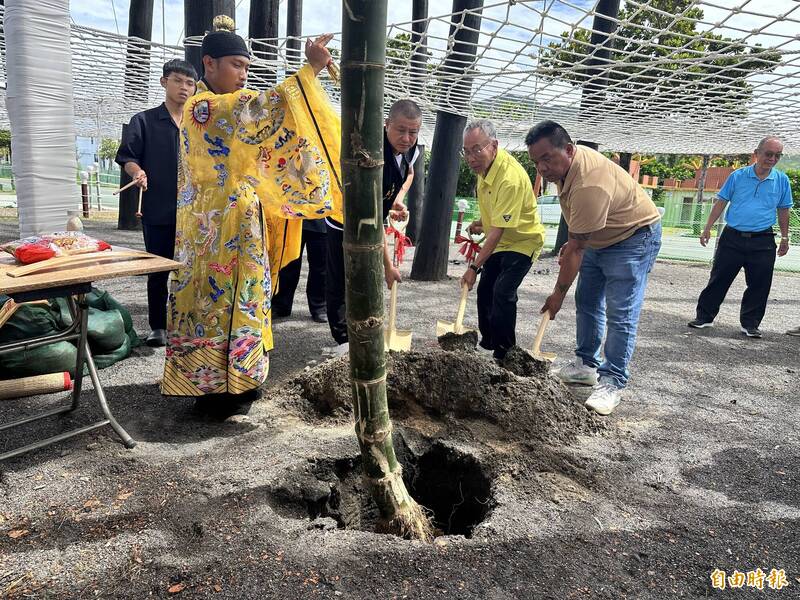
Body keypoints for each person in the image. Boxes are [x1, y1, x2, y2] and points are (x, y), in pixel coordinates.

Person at [160, 18, 341, 415]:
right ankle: (211, 391)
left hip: (240, 219)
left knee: (244, 296)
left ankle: (240, 380)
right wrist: (308, 69)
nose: (245, 73)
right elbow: (266, 108)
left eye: (246, 66)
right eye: (236, 65)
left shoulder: (217, 106)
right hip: (211, 226)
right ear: (209, 63)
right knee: (213, 302)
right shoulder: (203, 107)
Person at [526, 120, 662, 416]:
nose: (542, 168)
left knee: (620, 311)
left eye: (547, 158)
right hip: (599, 239)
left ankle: (612, 380)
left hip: (633, 236)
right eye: (536, 161)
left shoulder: (589, 183)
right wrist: (578, 240)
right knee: (587, 300)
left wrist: (557, 295)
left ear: (569, 150)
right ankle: (585, 365)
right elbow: (577, 240)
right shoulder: (566, 169)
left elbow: (576, 248)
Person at [323, 99, 422, 355]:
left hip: (373, 218)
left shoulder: (410, 150)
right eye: (401, 130)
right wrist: (389, 266)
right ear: (386, 125)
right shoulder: (371, 154)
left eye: (413, 132)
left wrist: (396, 200)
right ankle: (343, 340)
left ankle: (362, 329)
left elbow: (408, 173)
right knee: (342, 278)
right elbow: (373, 219)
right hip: (344, 220)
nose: (407, 138)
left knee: (365, 275)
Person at [115, 59, 197, 347]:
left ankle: (190, 323)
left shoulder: (198, 124)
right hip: (159, 208)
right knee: (159, 269)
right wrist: (137, 172)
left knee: (193, 270)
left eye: (189, 83)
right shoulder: (144, 120)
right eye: (178, 80)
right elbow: (127, 156)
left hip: (196, 212)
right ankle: (158, 326)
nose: (184, 87)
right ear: (164, 82)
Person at [688, 136, 792, 338]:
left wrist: (785, 238)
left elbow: (784, 210)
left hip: (763, 239)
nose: (772, 159)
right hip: (732, 237)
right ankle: (704, 317)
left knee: (760, 284)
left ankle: (750, 324)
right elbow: (721, 201)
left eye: (777, 156)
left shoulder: (782, 180)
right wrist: (707, 227)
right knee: (718, 278)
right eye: (768, 154)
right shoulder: (738, 176)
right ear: (757, 153)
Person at [460, 119, 545, 360]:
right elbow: (495, 218)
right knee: (485, 290)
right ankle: (488, 344)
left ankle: (506, 352)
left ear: (494, 145)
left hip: (523, 240)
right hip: (502, 238)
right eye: (467, 151)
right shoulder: (484, 168)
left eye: (477, 149)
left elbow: (497, 232)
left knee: (502, 291)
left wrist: (474, 267)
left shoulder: (509, 177)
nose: (471, 157)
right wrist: (481, 222)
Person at [271, 219, 327, 322]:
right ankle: (281, 304)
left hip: (321, 217)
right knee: (287, 263)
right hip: (293, 217)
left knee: (321, 266)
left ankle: (319, 306)